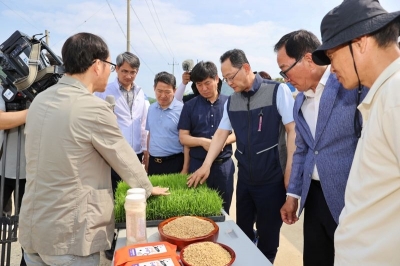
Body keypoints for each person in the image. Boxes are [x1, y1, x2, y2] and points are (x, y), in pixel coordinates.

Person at [19, 32, 169, 266]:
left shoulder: (40, 101)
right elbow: (123, 157)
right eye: (110, 65)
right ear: (97, 65)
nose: (111, 70)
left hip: (33, 231)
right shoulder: (93, 108)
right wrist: (147, 188)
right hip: (70, 235)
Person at [312, 1, 400, 265]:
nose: (331, 68)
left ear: (360, 42)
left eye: (331, 56)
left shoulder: (395, 97)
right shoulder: (384, 94)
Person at [188, 49, 296, 263]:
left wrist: (290, 173)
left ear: (246, 68)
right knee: (243, 232)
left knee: (268, 237)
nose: (228, 83)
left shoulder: (277, 91)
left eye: (230, 77)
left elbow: (293, 130)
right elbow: (221, 133)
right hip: (245, 180)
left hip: (272, 179)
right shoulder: (232, 102)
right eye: (225, 78)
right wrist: (206, 164)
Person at [275, 29, 367, 266]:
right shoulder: (299, 100)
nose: (285, 77)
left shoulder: (350, 84)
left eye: (285, 69)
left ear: (307, 58)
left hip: (351, 198)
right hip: (314, 196)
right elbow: (303, 149)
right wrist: (293, 195)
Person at [177, 61, 235, 214]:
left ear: (216, 79)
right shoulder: (189, 106)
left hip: (223, 167)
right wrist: (202, 142)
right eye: (199, 84)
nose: (203, 89)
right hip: (197, 165)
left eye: (207, 83)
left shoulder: (230, 103)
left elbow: (238, 132)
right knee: (197, 210)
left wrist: (222, 141)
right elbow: (183, 138)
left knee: (223, 210)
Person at [96, 52, 149, 194]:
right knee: (114, 190)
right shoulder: (104, 91)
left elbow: (143, 123)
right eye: (125, 71)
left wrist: (145, 148)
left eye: (133, 72)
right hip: (114, 151)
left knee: (133, 191)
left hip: (135, 152)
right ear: (117, 69)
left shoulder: (140, 92)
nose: (129, 76)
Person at [0, 87, 28, 266]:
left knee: (28, 226)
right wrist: (32, 111)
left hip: (30, 171)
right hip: (2, 167)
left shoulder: (39, 86)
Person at [145, 71, 188, 175]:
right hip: (153, 163)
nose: (163, 95)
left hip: (174, 162)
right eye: (159, 91)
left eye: (167, 92)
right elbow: (150, 134)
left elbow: (186, 141)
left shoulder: (182, 109)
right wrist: (147, 159)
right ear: (154, 88)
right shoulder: (151, 108)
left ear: (174, 90)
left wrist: (186, 167)